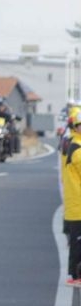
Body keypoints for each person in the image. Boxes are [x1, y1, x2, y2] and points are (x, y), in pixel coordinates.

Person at [60, 116, 81, 287]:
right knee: (78, 243)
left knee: (77, 241)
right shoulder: (77, 149)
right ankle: (75, 276)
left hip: (74, 202)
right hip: (78, 203)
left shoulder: (73, 144)